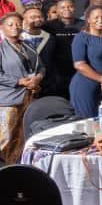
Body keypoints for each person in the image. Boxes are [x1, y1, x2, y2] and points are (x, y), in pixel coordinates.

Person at [0, 12, 43, 162]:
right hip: (8, 101)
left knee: (22, 137)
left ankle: (15, 167)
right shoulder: (1, 49)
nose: (15, 27)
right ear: (2, 28)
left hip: (29, 97)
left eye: (18, 24)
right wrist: (19, 81)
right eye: (10, 24)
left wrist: (38, 78)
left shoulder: (29, 46)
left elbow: (41, 67)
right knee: (5, 137)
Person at [69, 6, 102, 118]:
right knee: (89, 124)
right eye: (96, 17)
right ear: (88, 19)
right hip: (86, 87)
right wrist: (101, 79)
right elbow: (79, 65)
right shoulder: (81, 38)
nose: (100, 20)